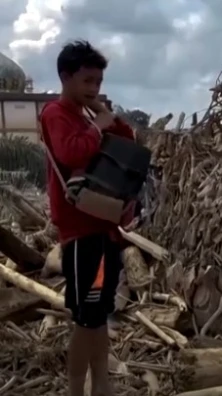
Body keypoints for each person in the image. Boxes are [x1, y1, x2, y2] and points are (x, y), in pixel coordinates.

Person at [39, 40, 136, 396]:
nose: (94, 88)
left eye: (98, 81)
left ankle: (102, 385)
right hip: (82, 234)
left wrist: (101, 113)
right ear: (66, 77)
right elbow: (70, 151)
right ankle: (76, 389)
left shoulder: (85, 115)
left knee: (98, 317)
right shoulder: (55, 113)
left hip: (104, 230)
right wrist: (98, 127)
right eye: (87, 81)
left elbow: (127, 141)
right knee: (86, 319)